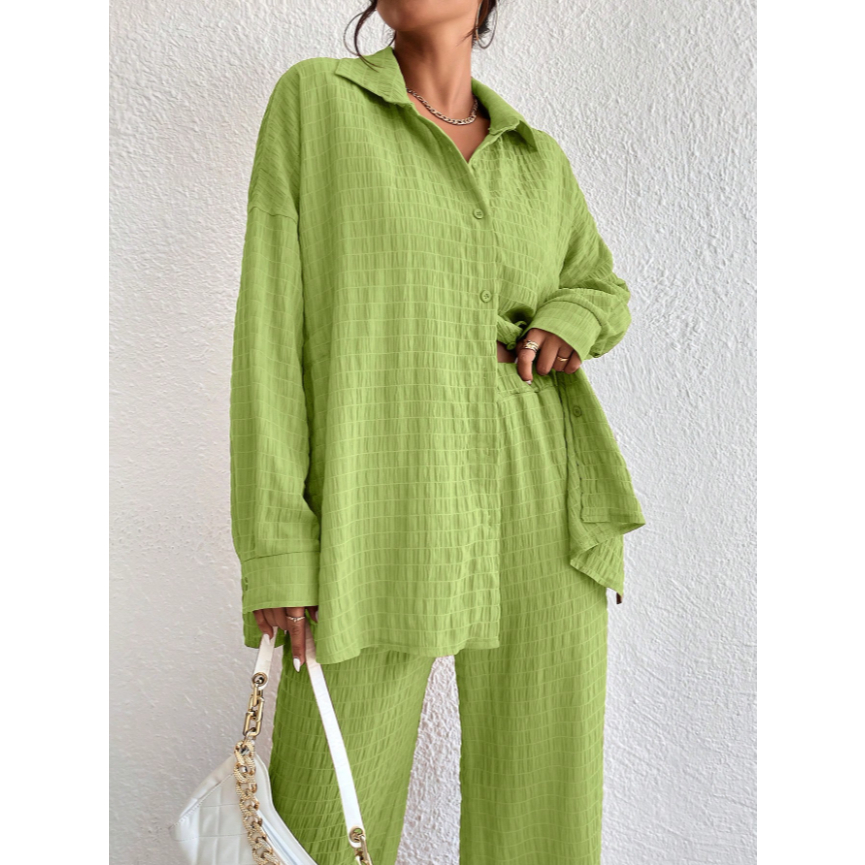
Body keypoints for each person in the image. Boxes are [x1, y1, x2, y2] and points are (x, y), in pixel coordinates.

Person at [229, 2, 646, 863]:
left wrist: (570, 317)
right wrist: (277, 545)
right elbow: (268, 333)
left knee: (542, 804)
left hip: (539, 491)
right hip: (379, 489)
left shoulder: (536, 158)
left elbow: (599, 283)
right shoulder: (317, 103)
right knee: (324, 810)